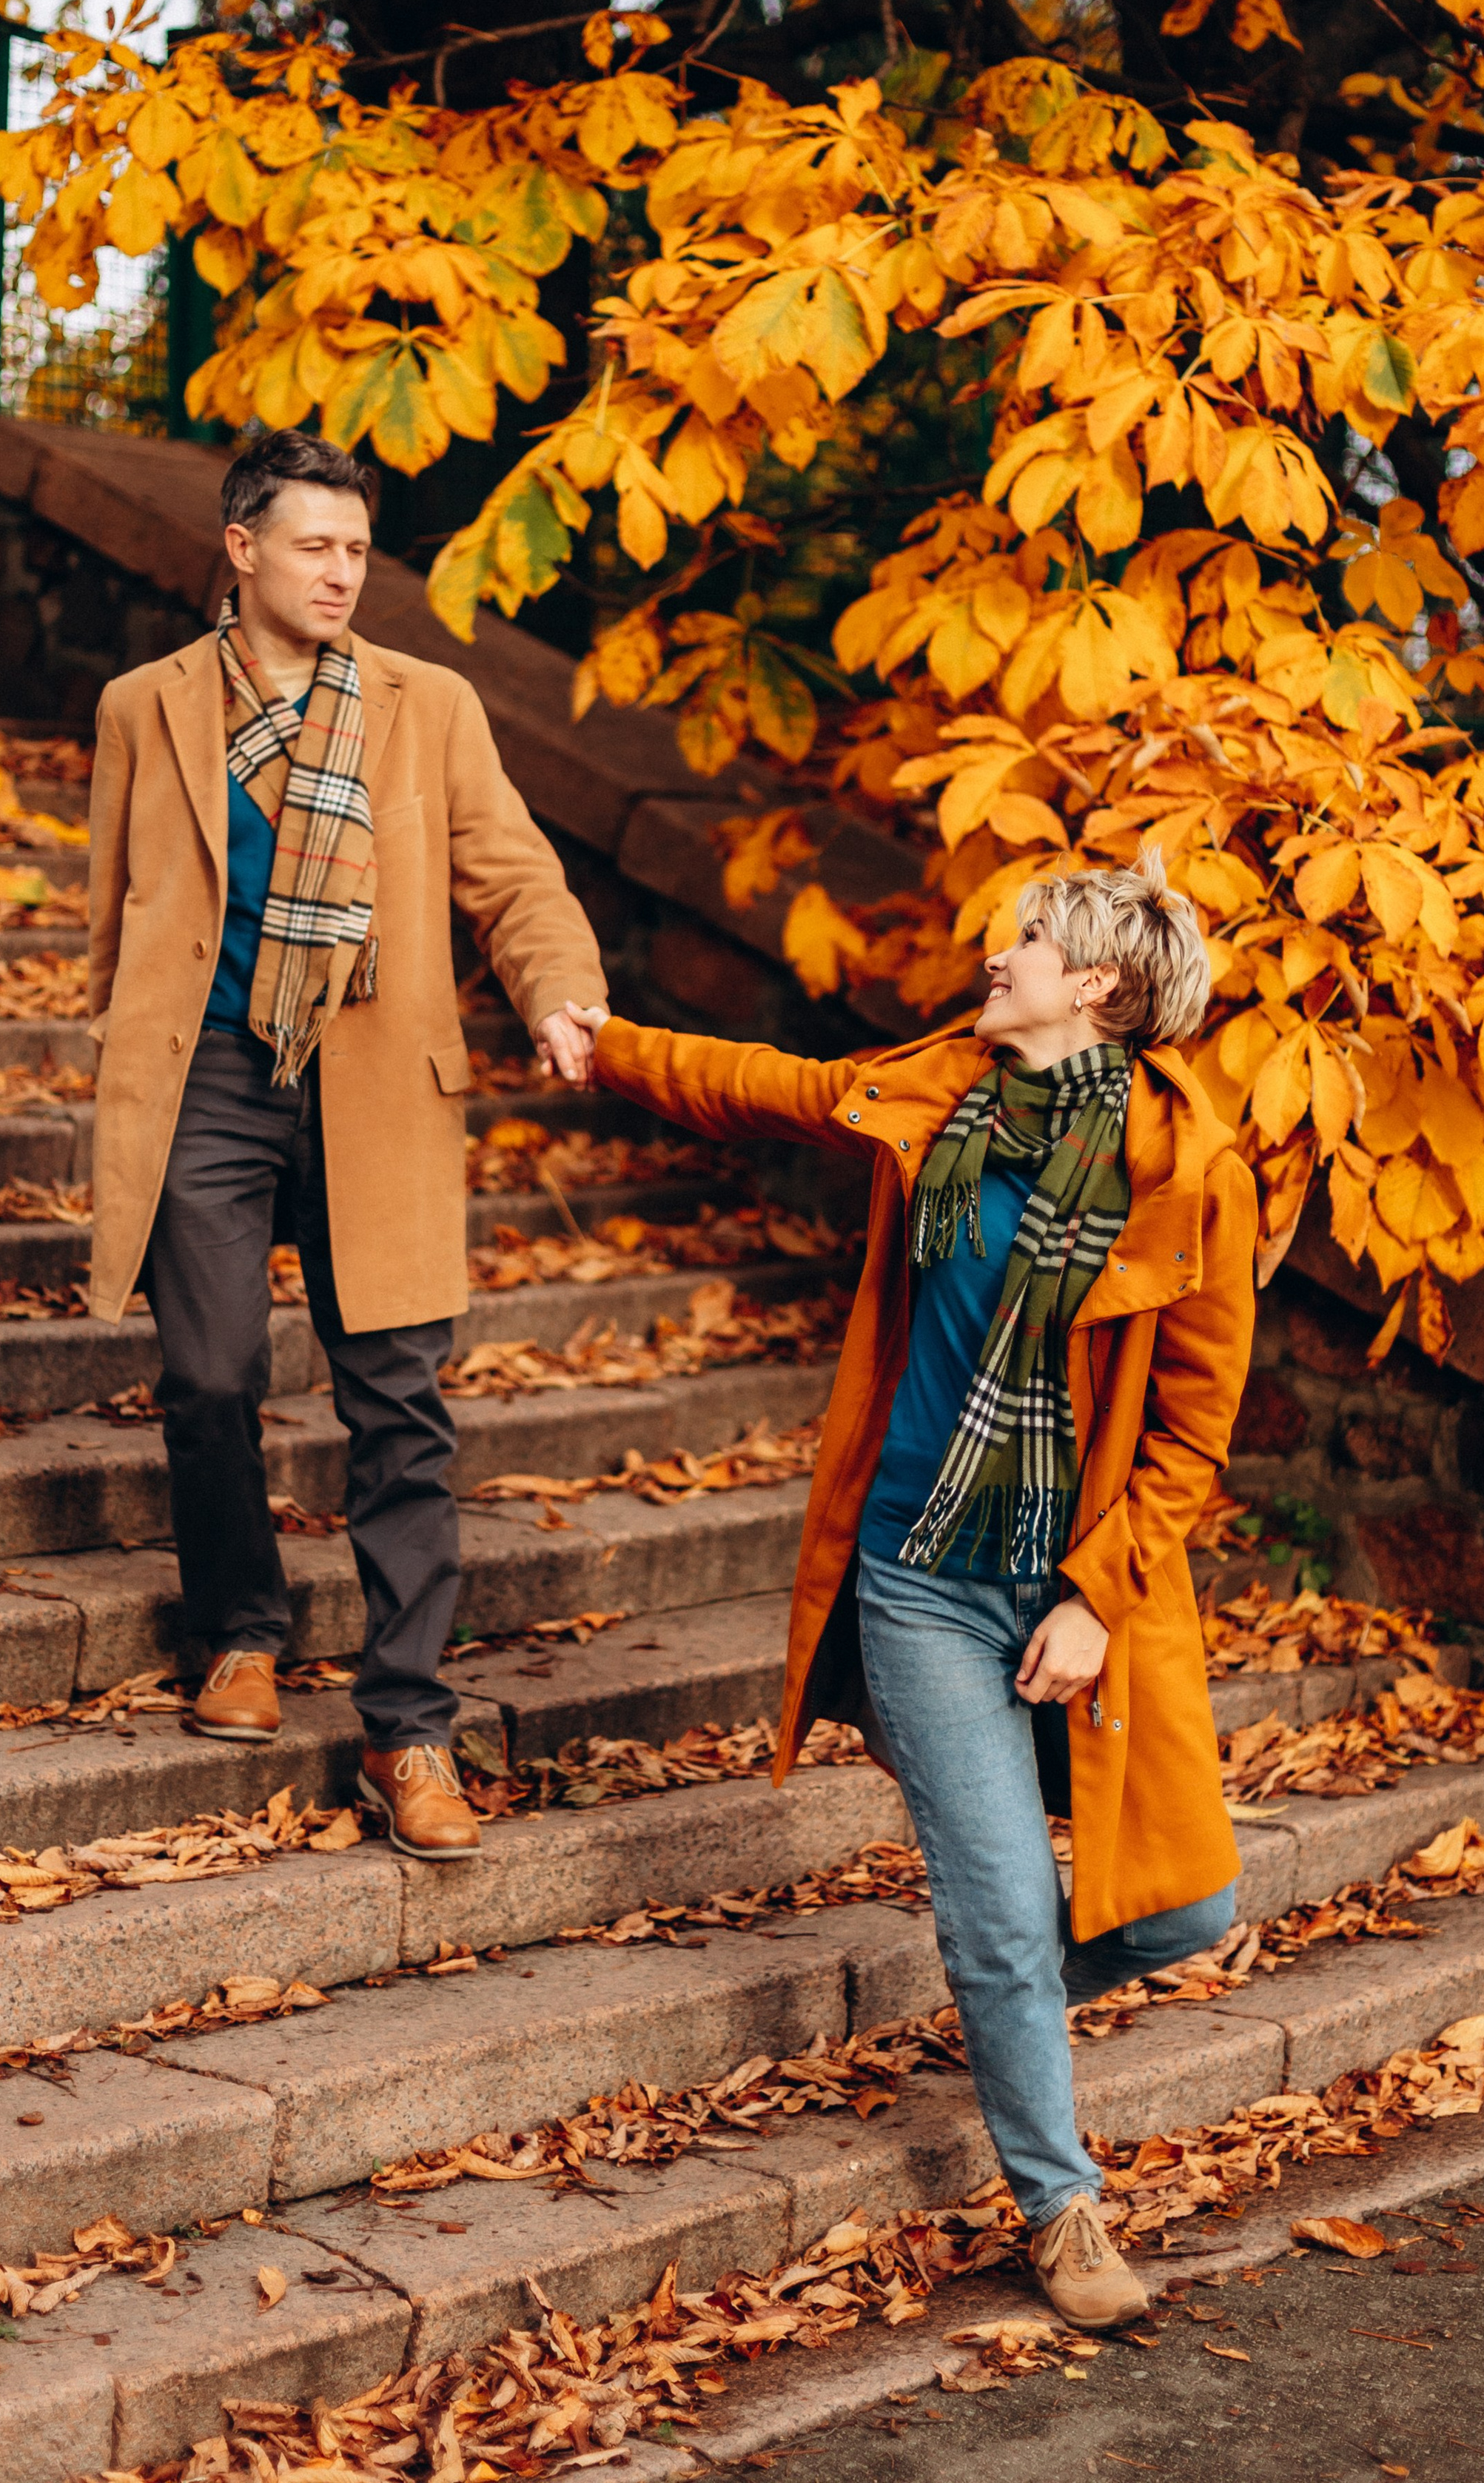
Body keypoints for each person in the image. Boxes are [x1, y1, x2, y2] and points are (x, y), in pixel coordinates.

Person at [557, 853, 1252, 2327]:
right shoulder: (934, 1092)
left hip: (1073, 1590)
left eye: (1027, 943)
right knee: (1000, 1912)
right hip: (919, 1578)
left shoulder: (1189, 1174)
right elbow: (764, 1084)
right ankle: (1062, 2213)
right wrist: (606, 1047)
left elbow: (1193, 1436)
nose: (994, 954)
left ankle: (1006, 2016)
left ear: (1098, 989)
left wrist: (1094, 1601)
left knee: (1188, 1914)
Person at [86, 428, 609, 1857]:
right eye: (314, 546)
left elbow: (514, 875)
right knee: (207, 1375)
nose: (341, 573)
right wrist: (121, 1071)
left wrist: (560, 989)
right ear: (242, 548)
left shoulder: (427, 705)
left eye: (358, 550)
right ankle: (240, 1636)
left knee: (400, 1406)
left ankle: (410, 1728)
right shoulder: (146, 705)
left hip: (378, 1077)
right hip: (210, 1076)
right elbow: (115, 906)